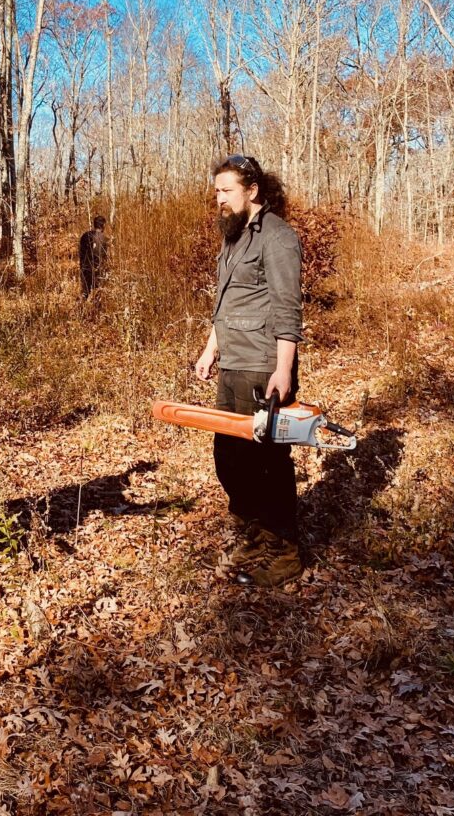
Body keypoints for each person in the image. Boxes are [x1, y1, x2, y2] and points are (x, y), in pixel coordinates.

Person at [194, 154, 304, 588]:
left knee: (268, 462)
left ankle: (285, 549)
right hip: (233, 363)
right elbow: (226, 302)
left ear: (252, 190)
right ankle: (255, 532)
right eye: (216, 191)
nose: (219, 199)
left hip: (262, 366)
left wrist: (284, 370)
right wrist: (210, 350)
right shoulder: (233, 236)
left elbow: (287, 308)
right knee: (229, 460)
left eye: (227, 191)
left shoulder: (276, 237)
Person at [78, 215, 109, 298]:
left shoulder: (84, 236)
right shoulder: (104, 239)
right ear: (103, 225)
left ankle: (82, 309)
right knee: (97, 295)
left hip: (85, 269)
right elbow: (105, 258)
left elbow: (80, 254)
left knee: (85, 293)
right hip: (97, 271)